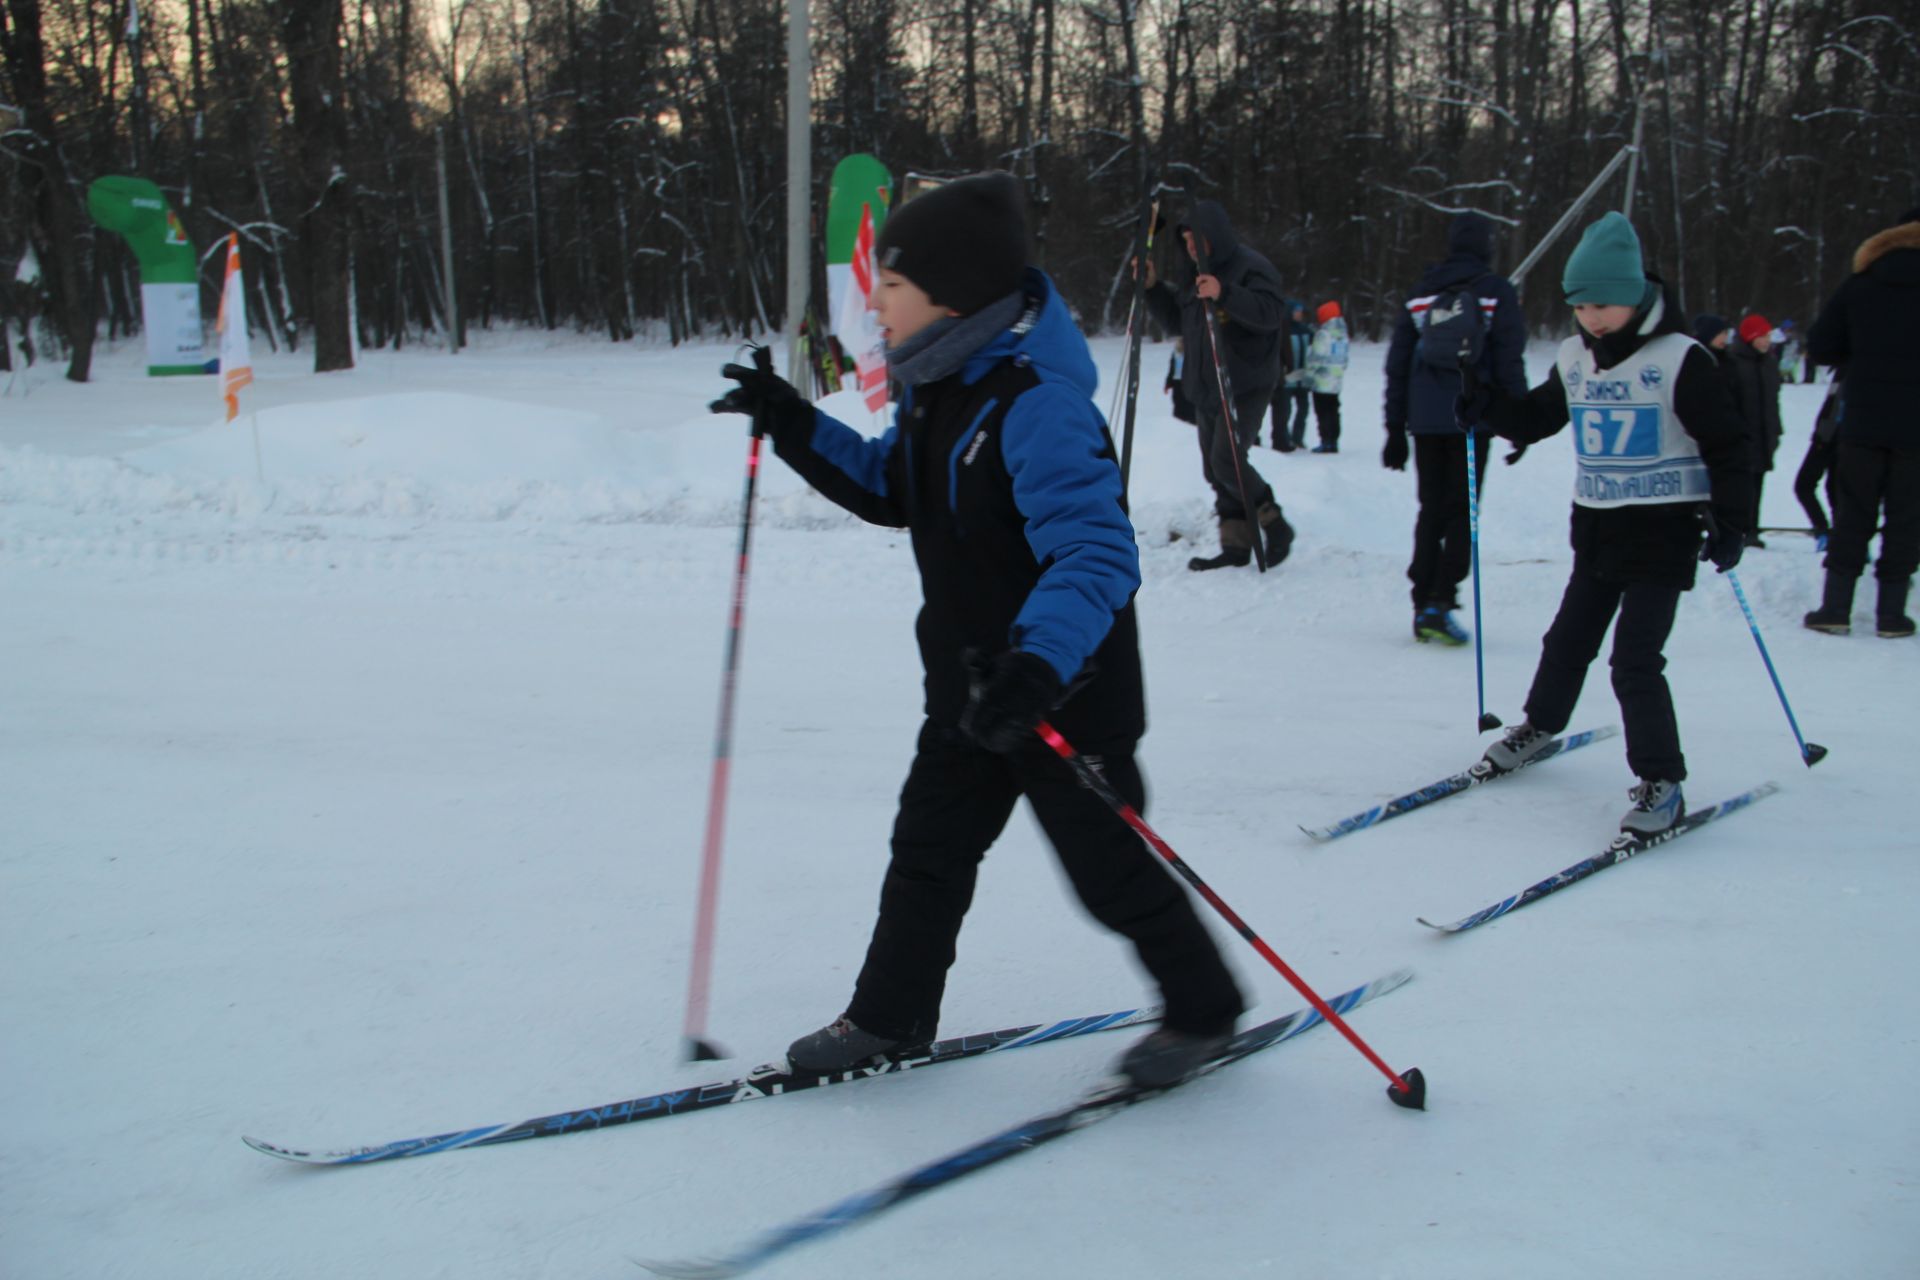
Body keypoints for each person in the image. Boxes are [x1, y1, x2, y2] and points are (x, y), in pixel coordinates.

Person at [710, 173, 1246, 1090]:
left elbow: (1096, 555)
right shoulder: (936, 387)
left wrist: (1037, 663)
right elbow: (891, 486)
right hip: (966, 693)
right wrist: (794, 423)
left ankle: (1205, 1009)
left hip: (1060, 695)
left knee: (1109, 871)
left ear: (951, 299)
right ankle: (889, 1018)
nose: (873, 302)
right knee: (926, 853)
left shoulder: (1036, 403)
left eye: (891, 287)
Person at [1470, 211, 1752, 835]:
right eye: (1580, 305)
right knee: (1567, 642)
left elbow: (1732, 446)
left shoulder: (1681, 359)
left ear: (1633, 298)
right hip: (1597, 529)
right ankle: (1541, 726)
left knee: (1634, 661)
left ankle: (1662, 781)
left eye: (1603, 304)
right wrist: (1488, 406)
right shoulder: (1576, 356)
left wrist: (1734, 522)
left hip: (1665, 532)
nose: (1591, 317)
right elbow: (1538, 418)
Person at [1383, 211, 1528, 644]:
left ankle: (1421, 600)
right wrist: (1519, 421)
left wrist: (1394, 427)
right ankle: (1440, 601)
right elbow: (1508, 359)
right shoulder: (1495, 292)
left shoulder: (1421, 292)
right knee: (1461, 511)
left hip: (1425, 421)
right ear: (1486, 246)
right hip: (1472, 420)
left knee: (1430, 510)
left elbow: (1398, 366)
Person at [1142, 199, 1295, 571]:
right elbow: (1180, 322)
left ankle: (1275, 525)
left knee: (1227, 461)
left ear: (1217, 237)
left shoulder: (1251, 267)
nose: (1193, 248)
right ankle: (1237, 546)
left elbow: (1271, 313)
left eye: (1199, 240)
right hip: (1206, 385)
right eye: (1188, 242)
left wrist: (1224, 293)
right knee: (1215, 470)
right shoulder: (1193, 275)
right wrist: (1151, 288)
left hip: (1244, 383)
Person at [1803, 205, 1920, 639]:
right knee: (1907, 517)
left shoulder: (1861, 284)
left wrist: (1861, 356)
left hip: (1863, 421)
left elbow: (1821, 346)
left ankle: (1835, 607)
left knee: (1853, 511)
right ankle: (1891, 614)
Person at [1727, 313, 1782, 548]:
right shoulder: (1734, 362)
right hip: (1743, 435)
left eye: (1768, 336)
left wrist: (1776, 430)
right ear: (1750, 337)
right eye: (1763, 336)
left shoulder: (1769, 362)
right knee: (1740, 486)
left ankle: (1752, 529)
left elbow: (1773, 400)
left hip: (1764, 435)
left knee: (1758, 483)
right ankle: (1736, 529)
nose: (1767, 340)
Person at [1793, 374, 1843, 551]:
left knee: (1838, 491)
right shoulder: (1841, 370)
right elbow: (1830, 407)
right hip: (1825, 438)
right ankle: (1825, 532)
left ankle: (1845, 540)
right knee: (1805, 485)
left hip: (1844, 440)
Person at [1305, 300, 1349, 452]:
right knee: (1334, 410)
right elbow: (1345, 358)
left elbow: (1316, 357)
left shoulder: (1323, 334)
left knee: (1322, 411)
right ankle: (1333, 441)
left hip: (1322, 380)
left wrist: (1308, 375)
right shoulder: (1342, 334)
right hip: (1336, 381)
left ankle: (1325, 441)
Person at [1268, 300, 1311, 451]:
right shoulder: (1284, 330)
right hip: (1286, 379)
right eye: (1296, 311)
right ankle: (1283, 438)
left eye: (1300, 311)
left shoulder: (1306, 330)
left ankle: (1298, 438)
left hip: (1302, 378)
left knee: (1303, 409)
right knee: (1284, 410)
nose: (1299, 314)